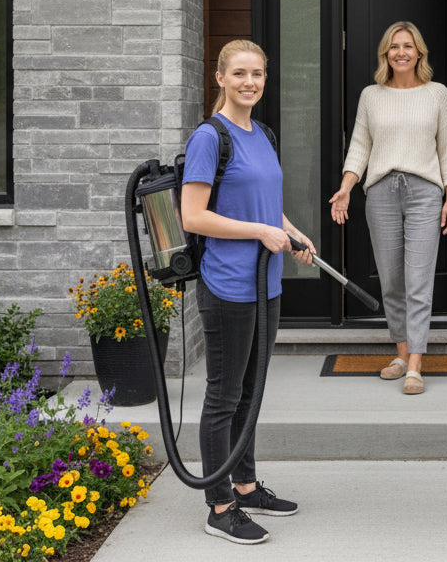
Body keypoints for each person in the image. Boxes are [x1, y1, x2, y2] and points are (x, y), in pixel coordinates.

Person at [181, 39, 316, 545]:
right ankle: (219, 506)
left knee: (250, 394)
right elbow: (193, 215)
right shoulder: (209, 137)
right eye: (239, 73)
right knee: (224, 395)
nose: (250, 82)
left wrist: (291, 231)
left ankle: (247, 484)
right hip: (229, 286)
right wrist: (262, 234)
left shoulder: (261, 133)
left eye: (257, 74)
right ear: (220, 78)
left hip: (266, 284)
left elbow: (265, 207)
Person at [328, 20, 447, 395]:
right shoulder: (372, 95)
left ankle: (416, 365)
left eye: (408, 45)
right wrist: (345, 187)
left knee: (418, 281)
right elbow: (359, 147)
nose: (401, 52)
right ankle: (402, 353)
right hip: (382, 192)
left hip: (424, 192)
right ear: (385, 53)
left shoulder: (438, 94)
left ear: (419, 52)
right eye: (393, 46)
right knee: (391, 281)